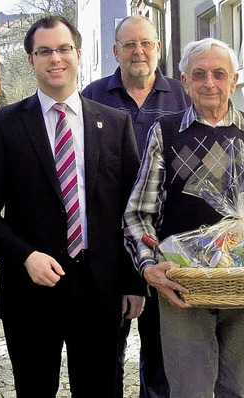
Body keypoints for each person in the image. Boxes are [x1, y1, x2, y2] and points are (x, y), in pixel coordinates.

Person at [123, 38, 244, 398]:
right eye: (199, 74)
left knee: (236, 387)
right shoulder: (166, 132)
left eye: (219, 74)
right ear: (184, 82)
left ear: (233, 80)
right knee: (189, 390)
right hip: (183, 285)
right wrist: (148, 264)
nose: (209, 83)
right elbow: (139, 214)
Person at [0, 16, 146, 397]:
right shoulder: (4, 125)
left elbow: (132, 213)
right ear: (31, 59)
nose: (55, 58)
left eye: (63, 49)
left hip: (100, 292)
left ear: (78, 54)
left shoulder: (114, 125)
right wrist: (24, 256)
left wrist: (134, 283)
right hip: (32, 290)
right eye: (44, 51)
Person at [81, 15, 190, 398]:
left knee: (162, 353)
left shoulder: (183, 96)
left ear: (158, 48)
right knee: (106, 350)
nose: (138, 51)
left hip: (169, 245)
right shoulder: (91, 98)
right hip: (108, 245)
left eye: (146, 43)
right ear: (115, 51)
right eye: (128, 45)